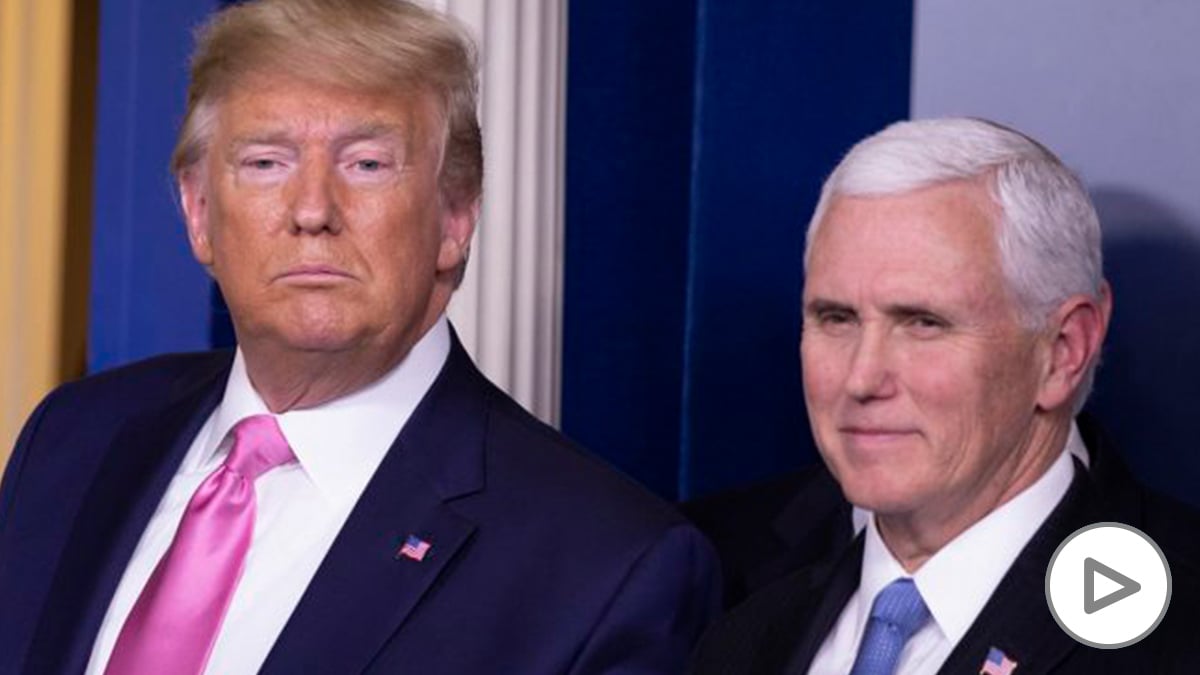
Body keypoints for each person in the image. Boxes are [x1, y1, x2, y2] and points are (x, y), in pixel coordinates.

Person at [0, 1, 719, 673]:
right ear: (197, 212)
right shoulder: (73, 437)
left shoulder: (605, 567)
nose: (312, 209)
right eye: (266, 162)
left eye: (366, 164)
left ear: (456, 214)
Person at [688, 118, 1200, 673]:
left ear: (1063, 351)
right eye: (836, 318)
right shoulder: (716, 585)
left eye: (923, 323)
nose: (861, 379)